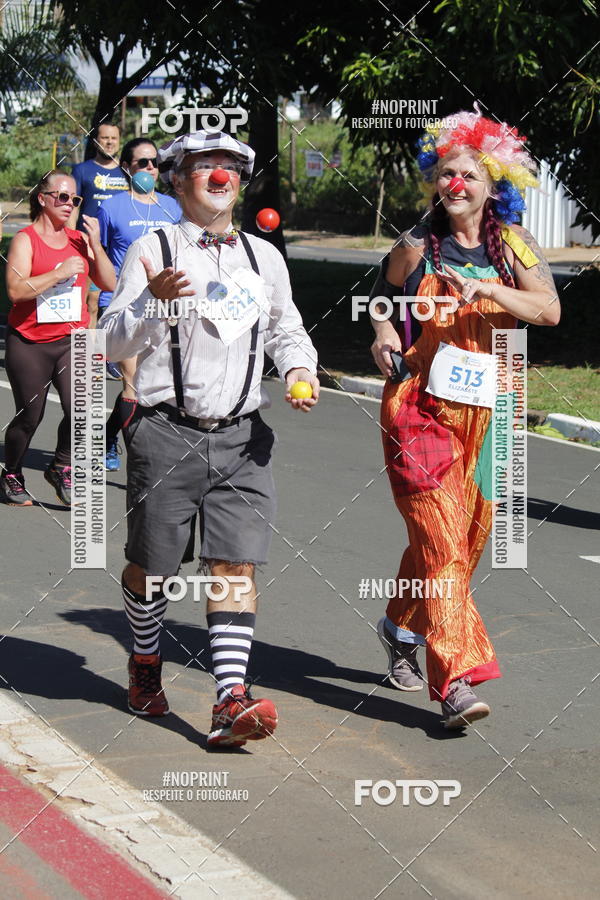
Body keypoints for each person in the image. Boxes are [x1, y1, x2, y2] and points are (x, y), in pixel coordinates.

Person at [100, 130, 319, 748]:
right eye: (205, 167)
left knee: (235, 563)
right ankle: (145, 660)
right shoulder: (153, 247)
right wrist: (152, 306)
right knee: (155, 570)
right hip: (165, 434)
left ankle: (229, 698)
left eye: (230, 167)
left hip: (243, 438)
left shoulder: (263, 257)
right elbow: (110, 341)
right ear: (177, 179)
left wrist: (300, 367)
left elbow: (285, 328)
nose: (220, 176)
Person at [369, 107, 560, 728]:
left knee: (460, 544)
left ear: (492, 185)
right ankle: (454, 679)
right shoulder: (416, 245)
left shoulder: (515, 247)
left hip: (493, 418)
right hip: (420, 411)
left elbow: (549, 311)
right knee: (444, 542)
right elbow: (379, 297)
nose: (456, 184)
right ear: (434, 181)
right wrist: (381, 335)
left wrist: (494, 293)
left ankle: (400, 620)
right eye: (446, 173)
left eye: (469, 175)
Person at [1, 169, 115, 506]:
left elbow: (109, 283)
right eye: (62, 197)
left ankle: (61, 466)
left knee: (84, 411)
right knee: (29, 416)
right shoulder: (26, 239)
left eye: (75, 199)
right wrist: (58, 273)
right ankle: (12, 472)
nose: (69, 204)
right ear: (43, 198)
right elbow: (15, 290)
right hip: (31, 341)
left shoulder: (79, 241)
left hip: (73, 339)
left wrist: (94, 244)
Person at [96, 137, 181, 471]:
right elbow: (97, 253)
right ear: (127, 167)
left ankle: (108, 434)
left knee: (152, 382)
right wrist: (94, 301)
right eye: (142, 162)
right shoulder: (111, 207)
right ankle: (139, 461)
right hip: (127, 306)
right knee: (132, 384)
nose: (149, 168)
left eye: (154, 163)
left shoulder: (171, 207)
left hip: (165, 306)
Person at [71, 123, 128, 328]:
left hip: (119, 247)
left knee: (116, 302)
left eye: (114, 138)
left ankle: (106, 355)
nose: (110, 142)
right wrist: (70, 236)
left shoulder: (127, 172)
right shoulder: (82, 170)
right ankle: (86, 355)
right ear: (96, 141)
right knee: (89, 302)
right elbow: (73, 208)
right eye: (105, 138)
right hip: (89, 245)